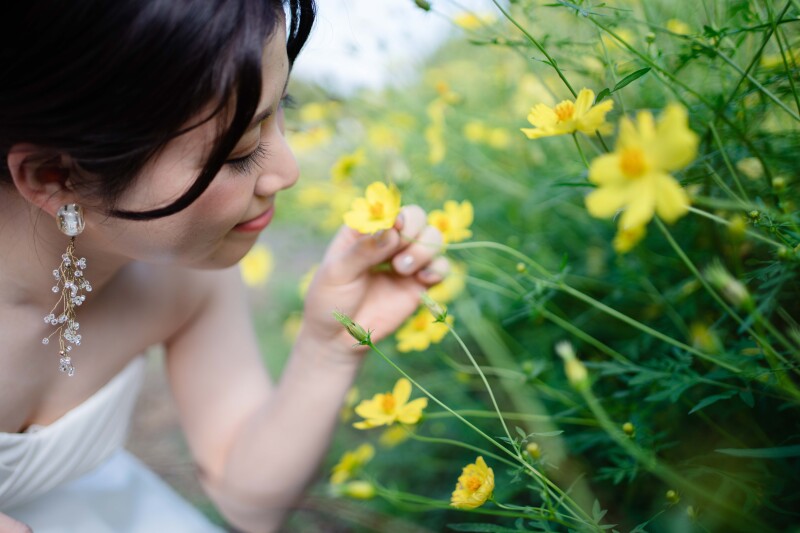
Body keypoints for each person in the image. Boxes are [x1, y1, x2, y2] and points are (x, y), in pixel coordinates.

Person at [0, 1, 447, 531]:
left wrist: (328, 348)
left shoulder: (182, 273)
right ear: (53, 175)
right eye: (240, 151)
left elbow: (247, 498)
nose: (289, 171)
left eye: (284, 107)